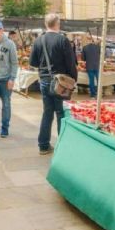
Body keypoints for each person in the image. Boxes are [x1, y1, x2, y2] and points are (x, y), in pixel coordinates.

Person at [29, 14, 77, 155]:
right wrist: (73, 79)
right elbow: (71, 63)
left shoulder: (38, 40)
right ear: (58, 24)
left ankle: (43, 145)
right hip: (61, 82)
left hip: (44, 80)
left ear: (46, 24)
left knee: (47, 113)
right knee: (61, 113)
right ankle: (62, 145)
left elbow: (33, 63)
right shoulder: (63, 40)